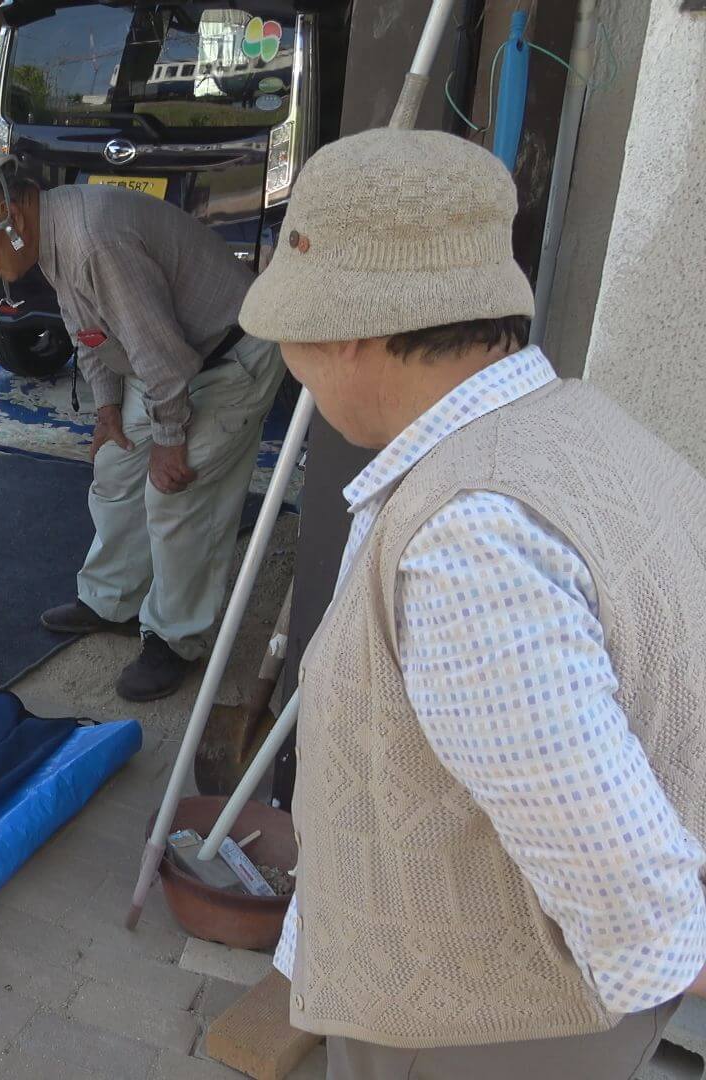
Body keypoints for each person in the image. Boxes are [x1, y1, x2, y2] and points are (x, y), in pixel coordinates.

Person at [240, 127, 706, 1078]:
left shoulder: (469, 541)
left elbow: (620, 875)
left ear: (349, 332)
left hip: (480, 1026)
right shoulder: (588, 429)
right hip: (567, 999)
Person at [0, 149, 288, 702]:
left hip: (229, 357)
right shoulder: (53, 233)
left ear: (9, 216)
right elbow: (86, 325)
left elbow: (163, 356)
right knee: (116, 464)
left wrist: (169, 440)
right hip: (172, 360)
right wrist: (108, 408)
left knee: (177, 494)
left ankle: (176, 638)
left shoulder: (95, 240)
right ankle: (113, 600)